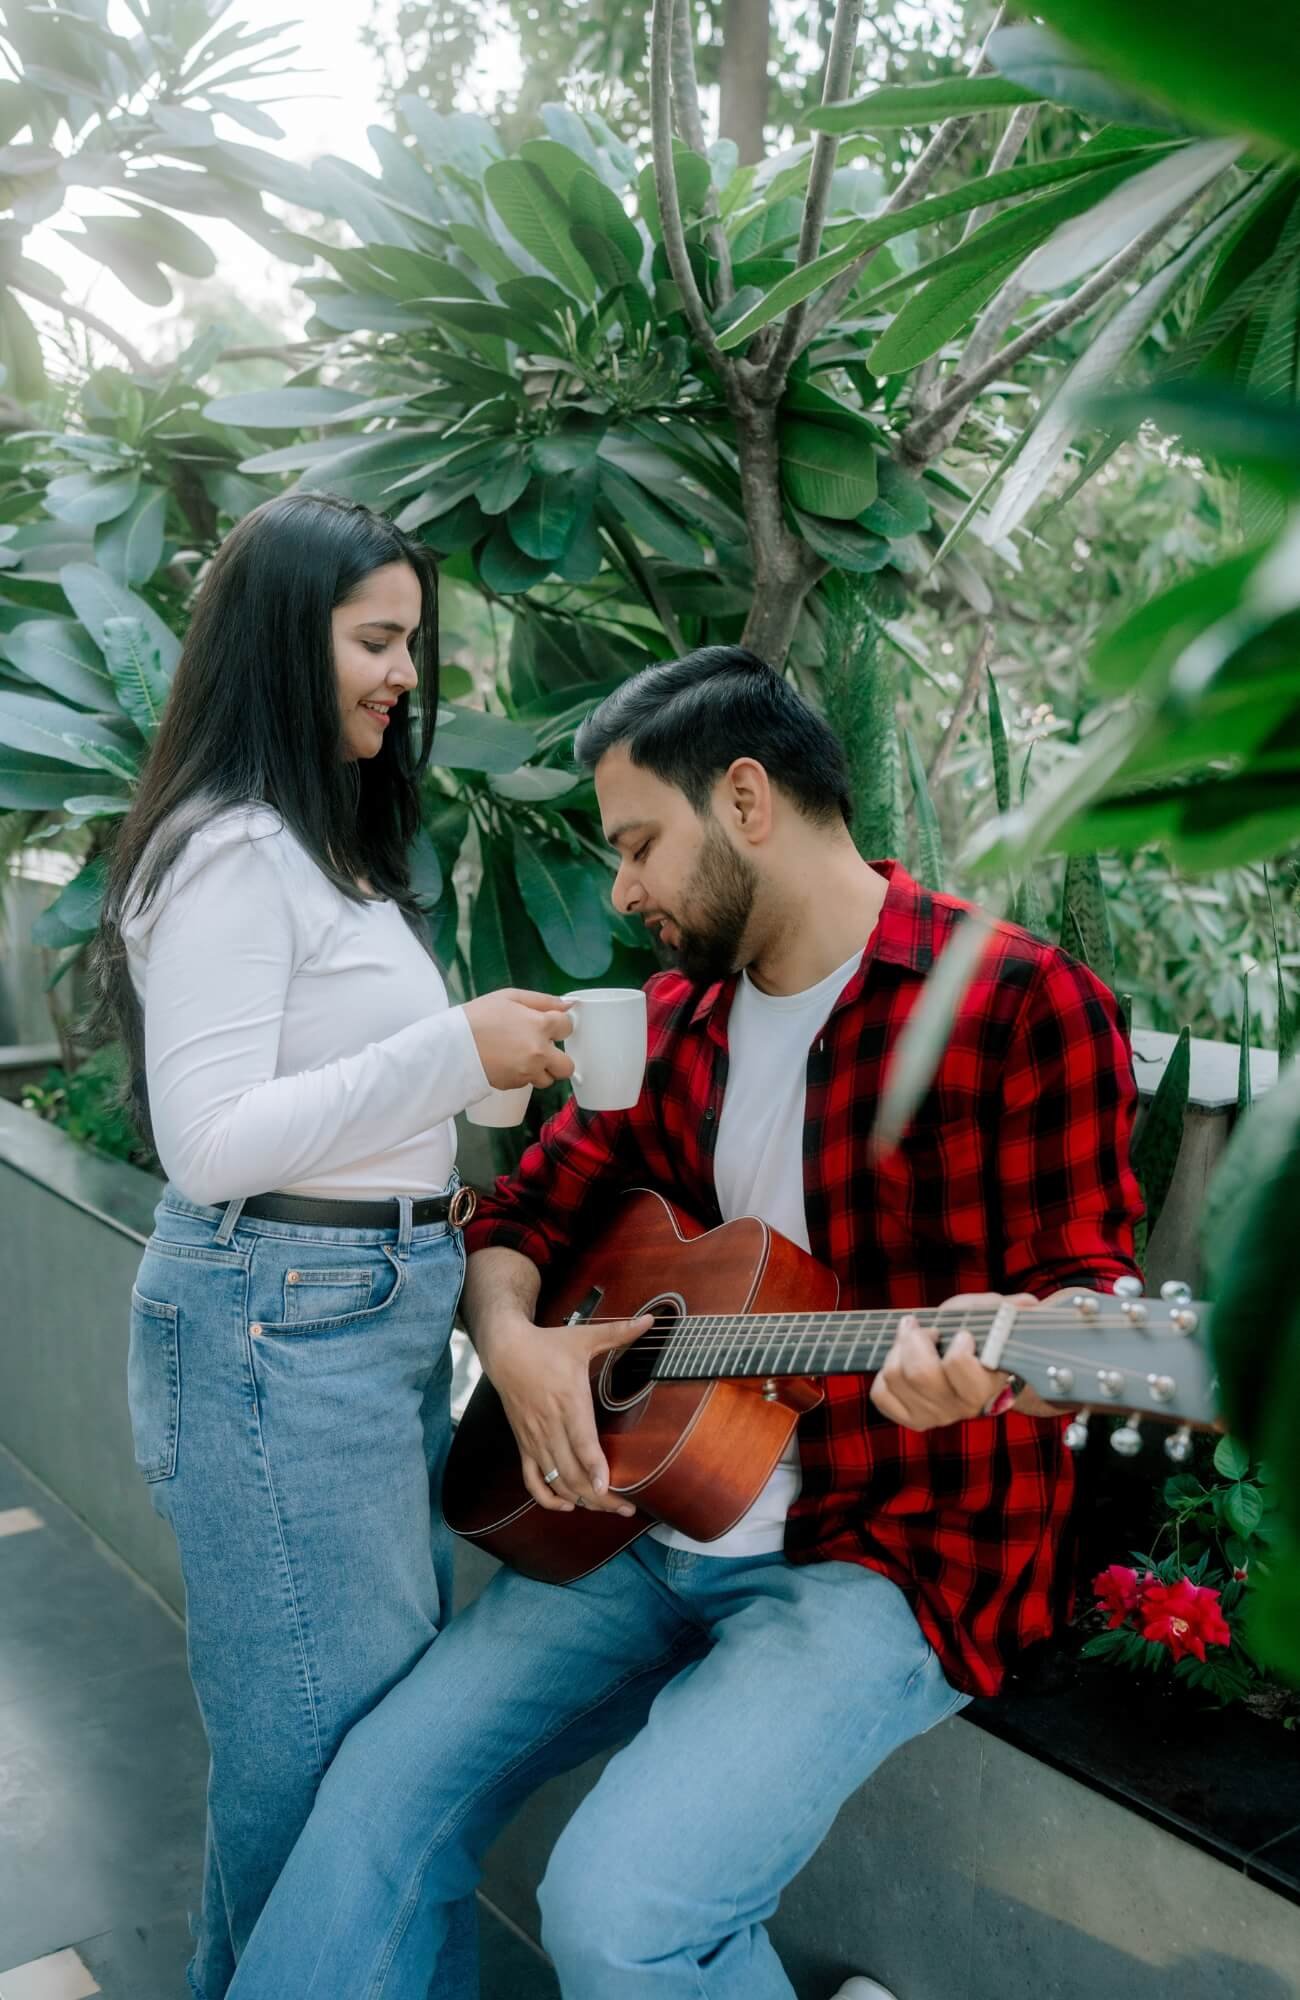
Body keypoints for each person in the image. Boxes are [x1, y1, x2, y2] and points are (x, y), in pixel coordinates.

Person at [225, 644, 1144, 2000]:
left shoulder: (1015, 1002)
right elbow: (521, 1223)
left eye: (641, 843)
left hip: (883, 1550)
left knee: (615, 1916)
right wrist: (522, 1342)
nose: (624, 889)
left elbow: (1082, 1304)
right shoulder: (674, 1022)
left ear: (750, 801)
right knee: (374, 1795)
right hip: (640, 1519)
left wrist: (996, 1376)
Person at [95, 492, 578, 2000]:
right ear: (278, 644)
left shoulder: (320, 853)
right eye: (375, 641)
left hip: (345, 1316)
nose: (403, 677)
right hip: (275, 1325)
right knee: (326, 1766)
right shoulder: (236, 849)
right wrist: (451, 1048)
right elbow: (216, 1138)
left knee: (330, 1767)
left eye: (410, 645)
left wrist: (500, 1061)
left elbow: (354, 1103)